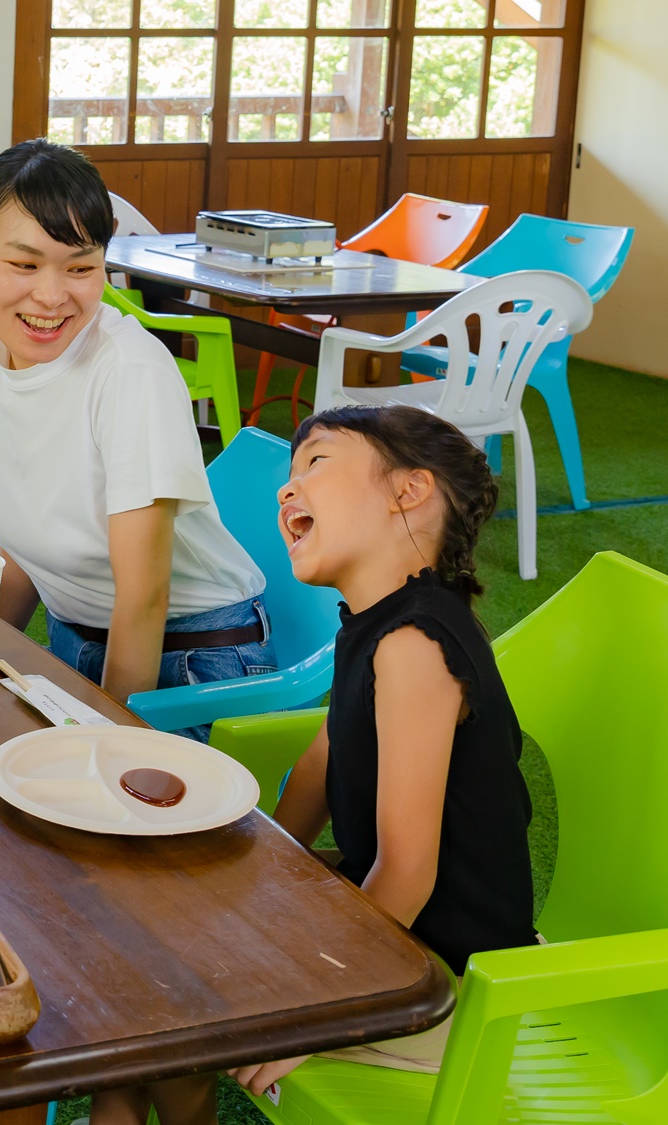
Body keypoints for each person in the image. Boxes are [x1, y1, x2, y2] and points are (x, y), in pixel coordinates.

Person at [229, 405, 534, 1096]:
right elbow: (320, 761)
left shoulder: (415, 646)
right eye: (289, 472)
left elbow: (407, 872)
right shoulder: (375, 625)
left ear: (409, 490)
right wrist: (262, 872)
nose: (287, 487)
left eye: (317, 461)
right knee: (179, 958)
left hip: (450, 987)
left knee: (183, 1014)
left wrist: (319, 1012)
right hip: (399, 944)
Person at [0, 139, 272, 735]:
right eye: (24, 263)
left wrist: (110, 743)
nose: (50, 295)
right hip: (74, 643)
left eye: (80, 267)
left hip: (189, 660)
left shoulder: (129, 370)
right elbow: (25, 542)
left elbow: (144, 597)